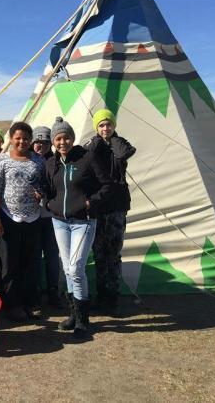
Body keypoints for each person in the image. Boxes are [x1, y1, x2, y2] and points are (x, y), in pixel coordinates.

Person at [46, 117, 113, 338]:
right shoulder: (51, 163)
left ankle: (83, 319)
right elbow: (47, 188)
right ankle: (74, 315)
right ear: (53, 141)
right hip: (59, 221)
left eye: (66, 137)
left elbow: (106, 184)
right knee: (67, 268)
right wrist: (47, 202)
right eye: (58, 138)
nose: (62, 142)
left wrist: (90, 202)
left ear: (73, 139)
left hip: (83, 221)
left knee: (75, 268)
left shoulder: (86, 158)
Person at [0, 122, 45, 321]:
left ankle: (30, 303)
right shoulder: (1, 161)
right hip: (8, 217)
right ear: (11, 139)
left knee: (31, 263)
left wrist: (42, 193)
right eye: (18, 138)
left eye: (26, 138)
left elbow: (44, 185)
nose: (22, 141)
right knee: (9, 263)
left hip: (33, 218)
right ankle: (12, 304)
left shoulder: (38, 160)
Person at [87, 109, 136, 315]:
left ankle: (113, 297)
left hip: (117, 205)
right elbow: (87, 158)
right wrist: (99, 141)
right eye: (101, 125)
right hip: (99, 205)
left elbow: (125, 153)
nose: (105, 128)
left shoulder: (120, 143)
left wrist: (111, 139)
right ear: (96, 128)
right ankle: (101, 295)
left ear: (114, 126)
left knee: (113, 254)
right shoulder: (92, 145)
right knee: (99, 253)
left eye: (108, 124)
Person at [31, 126, 61, 307]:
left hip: (51, 215)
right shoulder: (27, 159)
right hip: (33, 216)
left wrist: (46, 195)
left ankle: (53, 291)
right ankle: (34, 291)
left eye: (44, 142)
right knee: (34, 256)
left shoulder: (57, 161)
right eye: (37, 142)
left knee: (51, 255)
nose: (40, 145)